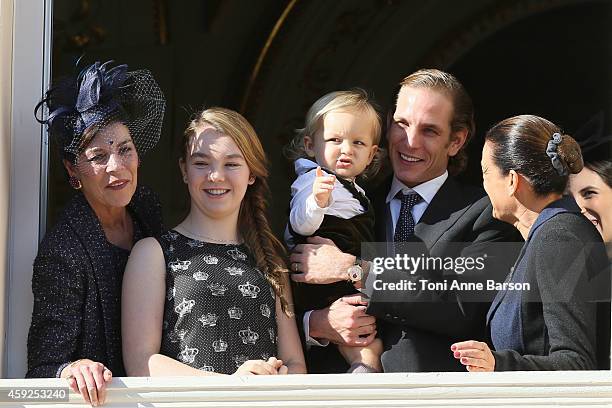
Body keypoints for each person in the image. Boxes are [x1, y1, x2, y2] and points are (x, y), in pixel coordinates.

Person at [290, 68, 522, 372]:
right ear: (387, 126)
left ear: (456, 141)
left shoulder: (486, 213)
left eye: (429, 131)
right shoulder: (347, 202)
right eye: (402, 124)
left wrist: (353, 268)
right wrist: (316, 324)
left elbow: (461, 307)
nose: (409, 142)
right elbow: (288, 286)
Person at [122, 107, 306, 376]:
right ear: (184, 171)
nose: (216, 176)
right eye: (201, 163)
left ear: (251, 174)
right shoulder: (153, 252)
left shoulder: (269, 259)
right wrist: (232, 386)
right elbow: (142, 363)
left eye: (231, 164)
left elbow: (296, 363)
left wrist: (277, 379)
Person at [28, 60, 165, 405]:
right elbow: (42, 367)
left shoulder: (147, 209)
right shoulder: (63, 251)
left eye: (124, 149)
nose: (117, 168)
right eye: (98, 156)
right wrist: (71, 368)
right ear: (73, 170)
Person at [451, 115, 609, 371]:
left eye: (486, 172)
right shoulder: (548, 234)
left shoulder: (560, 237)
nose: (484, 184)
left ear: (512, 181)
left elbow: (576, 363)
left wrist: (499, 364)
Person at [284, 89, 383, 373]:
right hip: (317, 277)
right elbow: (301, 223)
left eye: (358, 142)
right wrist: (317, 202)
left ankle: (363, 369)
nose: (346, 149)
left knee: (364, 335)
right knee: (354, 328)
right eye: (334, 140)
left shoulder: (358, 190)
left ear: (371, 154)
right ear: (310, 145)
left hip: (347, 270)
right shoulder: (313, 181)